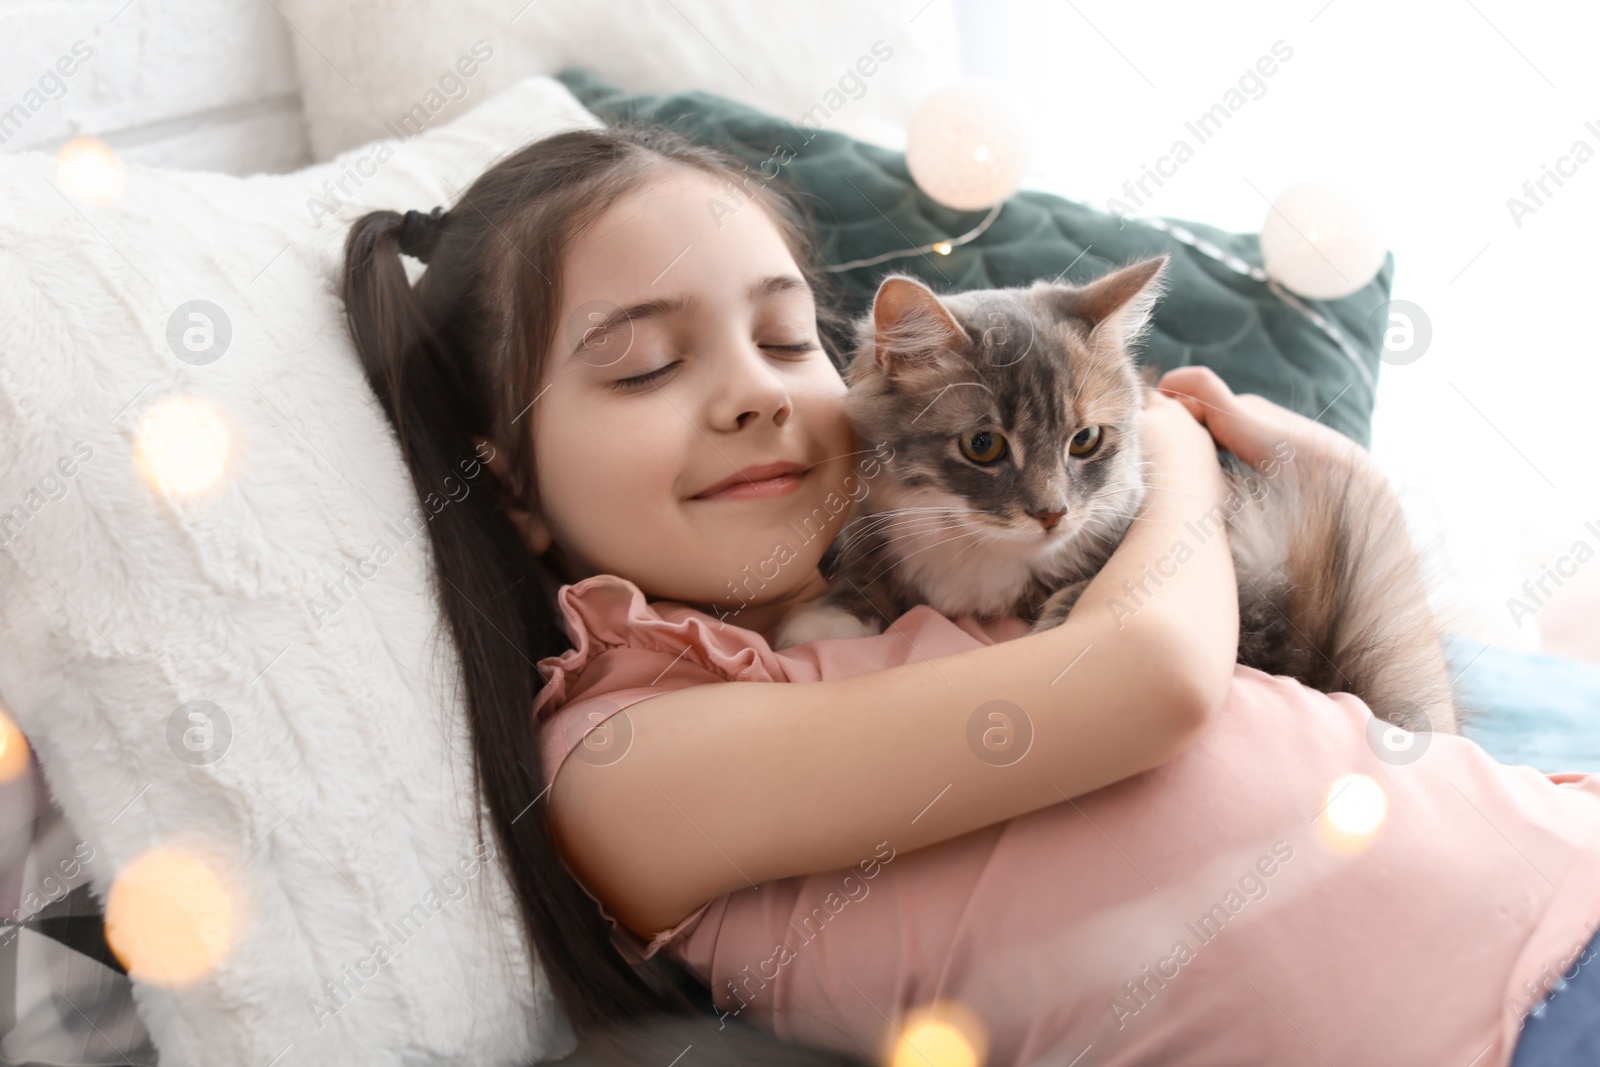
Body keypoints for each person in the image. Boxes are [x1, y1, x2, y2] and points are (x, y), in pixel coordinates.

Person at [340, 122, 1600, 1066]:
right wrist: (1172, 451)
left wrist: (1354, 502)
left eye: (788, 340)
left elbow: (1379, 746)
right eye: (647, 364)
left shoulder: (915, 593)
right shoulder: (616, 753)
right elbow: (1151, 678)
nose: (758, 392)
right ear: (506, 489)